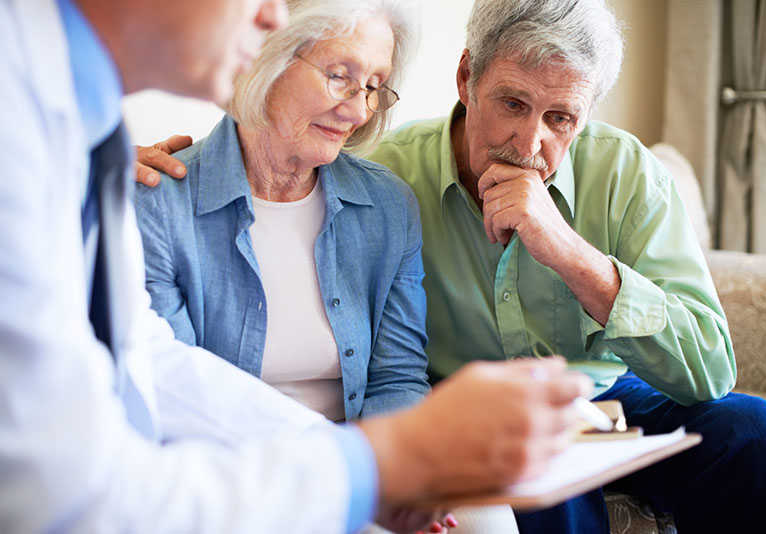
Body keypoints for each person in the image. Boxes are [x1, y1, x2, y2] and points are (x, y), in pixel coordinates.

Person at [139, 0, 766, 532]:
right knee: (530, 477)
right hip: (478, 406)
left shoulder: (626, 174)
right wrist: (117, 168)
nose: (530, 141)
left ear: (586, 114)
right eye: (512, 103)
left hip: (601, 396)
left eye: (561, 118)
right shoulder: (391, 177)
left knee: (755, 433)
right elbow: (261, 157)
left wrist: (566, 250)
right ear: (467, 79)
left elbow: (711, 366)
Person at [0, 0, 593, 532]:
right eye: (339, 74)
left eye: (374, 85)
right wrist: (372, 468)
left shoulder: (82, 128)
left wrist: (383, 462)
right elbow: (69, 492)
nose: (269, 20)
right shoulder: (121, 174)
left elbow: (154, 361)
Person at [134, 2, 514, 530]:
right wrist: (345, 478)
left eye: (374, 86)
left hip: (365, 459)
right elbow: (174, 402)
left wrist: (403, 479)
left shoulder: (387, 205)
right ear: (266, 57)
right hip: (237, 478)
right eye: (341, 77)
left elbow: (396, 379)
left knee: (489, 517)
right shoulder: (158, 203)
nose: (359, 111)